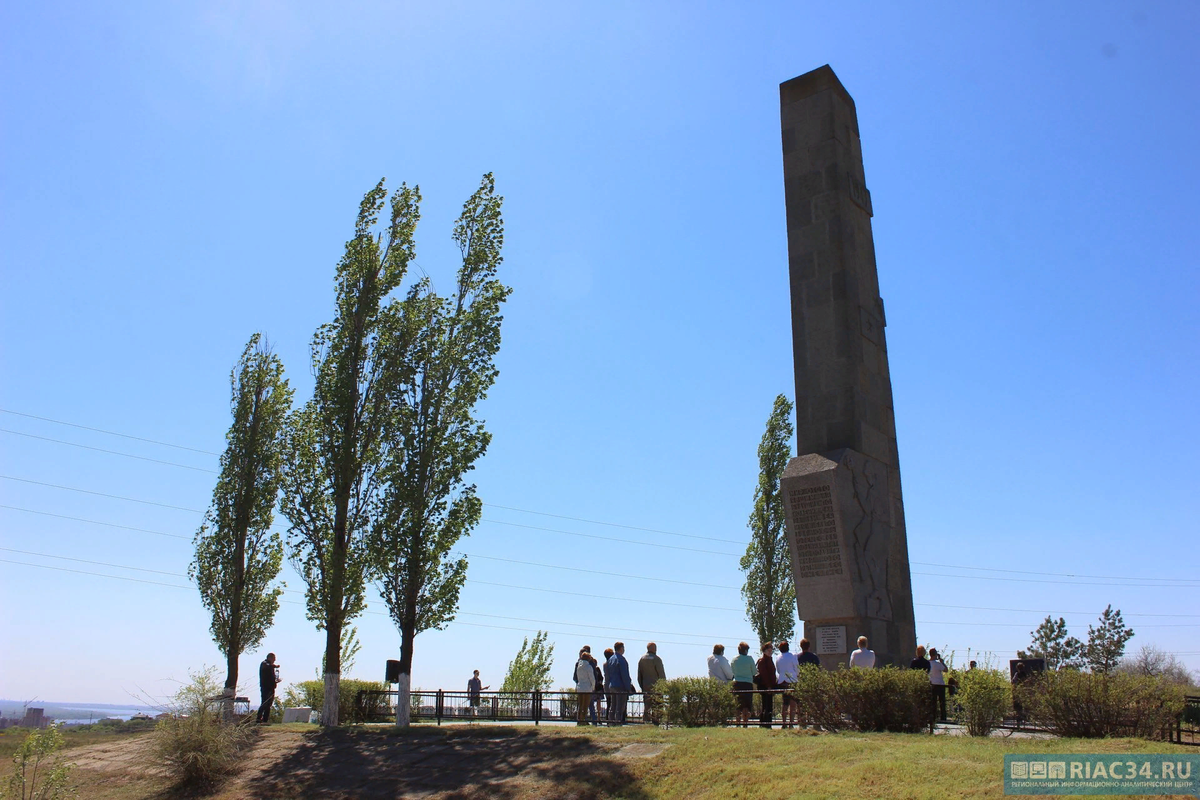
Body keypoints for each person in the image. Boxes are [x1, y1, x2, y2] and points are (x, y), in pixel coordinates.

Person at [637, 642, 667, 725]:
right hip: (656, 687)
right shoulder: (657, 659)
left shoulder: (642, 659)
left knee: (647, 706)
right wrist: (663, 686)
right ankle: (656, 722)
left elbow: (639, 675)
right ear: (654, 649)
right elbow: (661, 675)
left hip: (646, 686)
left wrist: (642, 686)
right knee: (657, 706)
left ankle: (645, 721)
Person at [605, 642, 633, 725]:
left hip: (612, 685)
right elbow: (625, 675)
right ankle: (617, 722)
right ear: (621, 648)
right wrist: (628, 687)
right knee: (620, 706)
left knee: (612, 706)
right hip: (620, 686)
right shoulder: (621, 659)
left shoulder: (610, 659)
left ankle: (610, 722)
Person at [730, 642, 756, 727]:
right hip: (747, 683)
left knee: (738, 704)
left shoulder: (734, 659)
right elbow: (754, 672)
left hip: (737, 683)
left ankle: (737, 723)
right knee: (746, 705)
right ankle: (745, 723)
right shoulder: (749, 659)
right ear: (746, 650)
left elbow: (732, 671)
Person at [775, 641, 799, 729]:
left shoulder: (778, 657)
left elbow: (778, 670)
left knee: (785, 703)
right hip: (792, 680)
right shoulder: (793, 656)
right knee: (793, 703)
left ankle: (784, 722)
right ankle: (791, 723)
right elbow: (796, 667)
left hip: (782, 681)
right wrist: (796, 674)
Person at [755, 642, 778, 728]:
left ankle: (767, 723)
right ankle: (764, 723)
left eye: (771, 650)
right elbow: (764, 675)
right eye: (769, 650)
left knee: (768, 705)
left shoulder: (770, 660)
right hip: (765, 686)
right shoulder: (763, 661)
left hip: (770, 686)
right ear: (764, 651)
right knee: (766, 705)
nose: (770, 651)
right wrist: (768, 686)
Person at [573, 649, 596, 725]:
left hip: (580, 687)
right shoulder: (588, 667)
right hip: (587, 688)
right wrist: (593, 687)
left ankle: (579, 720)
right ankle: (583, 721)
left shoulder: (579, 667)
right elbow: (592, 678)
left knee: (580, 705)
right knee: (585, 706)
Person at [257, 653, 281, 724]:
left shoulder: (270, 666)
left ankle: (265, 720)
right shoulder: (264, 664)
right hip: (265, 687)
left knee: (269, 704)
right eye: (274, 658)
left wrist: (275, 681)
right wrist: (275, 666)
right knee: (265, 703)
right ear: (269, 658)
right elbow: (268, 666)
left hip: (271, 687)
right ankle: (258, 718)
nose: (274, 660)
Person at [928, 648, 948, 722]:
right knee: (942, 701)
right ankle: (943, 717)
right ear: (935, 654)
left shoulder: (928, 663)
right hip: (940, 684)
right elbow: (946, 670)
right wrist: (942, 662)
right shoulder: (938, 664)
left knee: (933, 701)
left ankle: (933, 716)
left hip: (932, 683)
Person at [589, 655, 604, 724]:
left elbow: (601, 678)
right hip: (593, 688)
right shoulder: (590, 669)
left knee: (598, 703)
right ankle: (593, 717)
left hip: (598, 689)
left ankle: (598, 717)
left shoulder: (597, 669)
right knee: (591, 703)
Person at [601, 647, 615, 722]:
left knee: (608, 703)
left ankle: (607, 718)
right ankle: (611, 718)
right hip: (611, 684)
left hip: (606, 684)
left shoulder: (605, 664)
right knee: (612, 703)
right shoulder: (612, 664)